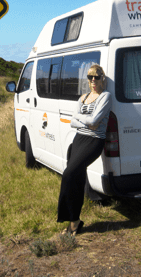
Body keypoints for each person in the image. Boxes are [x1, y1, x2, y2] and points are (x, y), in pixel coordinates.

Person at [57, 64, 112, 235]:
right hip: (79, 139)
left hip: (94, 141)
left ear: (102, 78)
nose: (93, 80)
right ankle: (75, 222)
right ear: (87, 80)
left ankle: (71, 219)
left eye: (97, 77)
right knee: (77, 178)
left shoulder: (105, 96)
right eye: (90, 77)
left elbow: (96, 121)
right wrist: (86, 120)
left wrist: (81, 118)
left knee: (68, 174)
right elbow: (74, 122)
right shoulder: (83, 97)